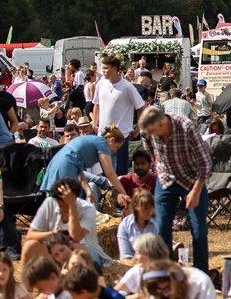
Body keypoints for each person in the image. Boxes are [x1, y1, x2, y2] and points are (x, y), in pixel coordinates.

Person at [138, 107, 212, 272]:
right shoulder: (147, 132)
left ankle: (201, 273)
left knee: (199, 230)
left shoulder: (186, 127)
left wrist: (195, 192)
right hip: (166, 178)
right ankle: (166, 271)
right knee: (161, 227)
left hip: (191, 179)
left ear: (162, 123)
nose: (151, 135)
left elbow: (205, 163)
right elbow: (151, 152)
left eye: (152, 132)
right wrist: (160, 167)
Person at [23, 178, 108, 268]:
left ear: (75, 198)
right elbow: (30, 235)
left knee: (74, 249)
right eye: (61, 205)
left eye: (66, 205)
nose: (64, 208)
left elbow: (76, 238)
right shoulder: (50, 203)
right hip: (56, 249)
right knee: (30, 245)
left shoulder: (88, 208)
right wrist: (55, 234)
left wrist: (72, 207)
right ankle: (26, 276)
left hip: (84, 250)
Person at [38, 126, 130, 205]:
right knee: (67, 206)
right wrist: (125, 195)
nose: (115, 151)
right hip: (65, 166)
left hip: (57, 164)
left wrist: (88, 191)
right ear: (112, 140)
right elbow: (110, 174)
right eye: (117, 147)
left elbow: (79, 171)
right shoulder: (102, 144)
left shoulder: (95, 140)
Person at [91, 55, 145, 177]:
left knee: (119, 172)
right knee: (102, 171)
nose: (103, 71)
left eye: (106, 68)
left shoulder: (127, 87)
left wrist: (138, 127)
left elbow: (141, 107)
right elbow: (96, 104)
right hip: (103, 134)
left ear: (115, 69)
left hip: (121, 136)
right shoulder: (100, 83)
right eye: (102, 68)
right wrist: (94, 123)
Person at [117, 189, 156, 260]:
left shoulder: (156, 224)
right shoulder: (125, 225)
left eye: (151, 208)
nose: (150, 211)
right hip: (133, 264)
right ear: (136, 207)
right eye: (146, 208)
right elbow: (125, 255)